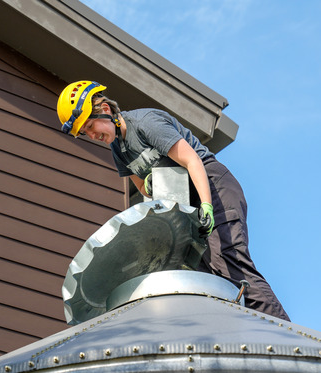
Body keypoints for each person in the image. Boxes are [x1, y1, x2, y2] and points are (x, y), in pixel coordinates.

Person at [57, 80, 290, 321]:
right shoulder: (118, 149)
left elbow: (192, 161)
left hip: (213, 187)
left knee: (229, 262)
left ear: (104, 110)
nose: (92, 135)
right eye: (85, 133)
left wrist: (207, 206)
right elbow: (142, 187)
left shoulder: (146, 123)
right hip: (186, 202)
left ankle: (284, 332)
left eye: (90, 125)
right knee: (202, 278)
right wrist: (150, 183)